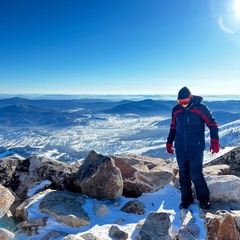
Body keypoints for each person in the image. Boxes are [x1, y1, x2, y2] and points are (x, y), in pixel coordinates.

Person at [166, 86, 220, 209]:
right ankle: (186, 200)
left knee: (196, 174)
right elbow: (173, 127)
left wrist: (215, 141)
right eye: (180, 102)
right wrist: (169, 143)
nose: (183, 104)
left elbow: (212, 124)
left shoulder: (201, 109)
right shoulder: (176, 110)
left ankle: (204, 200)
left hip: (196, 147)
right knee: (183, 175)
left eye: (185, 101)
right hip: (180, 147)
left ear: (190, 98)